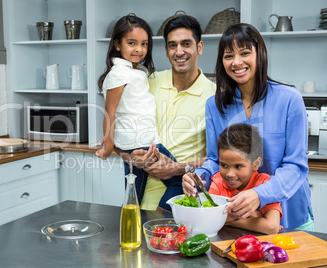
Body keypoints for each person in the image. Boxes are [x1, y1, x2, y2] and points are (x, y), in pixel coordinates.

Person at [182, 23, 313, 230]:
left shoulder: (290, 99)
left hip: (290, 214)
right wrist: (200, 177)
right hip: (242, 216)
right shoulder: (214, 105)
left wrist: (260, 194)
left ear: (259, 54)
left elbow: (296, 166)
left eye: (244, 53)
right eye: (228, 56)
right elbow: (215, 159)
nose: (236, 62)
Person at [95, 14, 184, 212]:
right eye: (132, 43)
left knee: (134, 196)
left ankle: (131, 230)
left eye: (144, 44)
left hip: (142, 140)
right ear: (118, 44)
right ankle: (161, 220)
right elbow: (110, 112)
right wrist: (108, 147)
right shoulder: (119, 73)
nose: (139, 49)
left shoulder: (137, 71)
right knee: (180, 181)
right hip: (140, 143)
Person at [127, 15, 216, 212]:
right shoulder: (147, 82)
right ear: (166, 51)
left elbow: (220, 160)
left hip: (185, 201)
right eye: (172, 45)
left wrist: (176, 168)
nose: (179, 51)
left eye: (186, 44)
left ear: (199, 47)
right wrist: (131, 157)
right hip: (140, 195)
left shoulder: (216, 97)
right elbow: (123, 131)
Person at [209, 123, 282, 234]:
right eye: (223, 165)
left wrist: (227, 219)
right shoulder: (218, 181)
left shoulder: (264, 183)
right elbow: (211, 219)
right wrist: (255, 216)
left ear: (256, 164)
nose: (230, 174)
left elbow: (271, 227)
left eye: (238, 166)